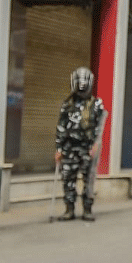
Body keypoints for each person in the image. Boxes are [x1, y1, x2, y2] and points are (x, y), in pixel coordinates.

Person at [54, 67, 106, 222]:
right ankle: (69, 210)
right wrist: (58, 148)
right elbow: (60, 127)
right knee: (68, 179)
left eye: (84, 82)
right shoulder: (67, 104)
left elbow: (100, 126)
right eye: (79, 82)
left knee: (88, 180)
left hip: (87, 148)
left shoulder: (96, 104)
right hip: (69, 148)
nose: (82, 85)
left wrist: (96, 144)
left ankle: (87, 210)